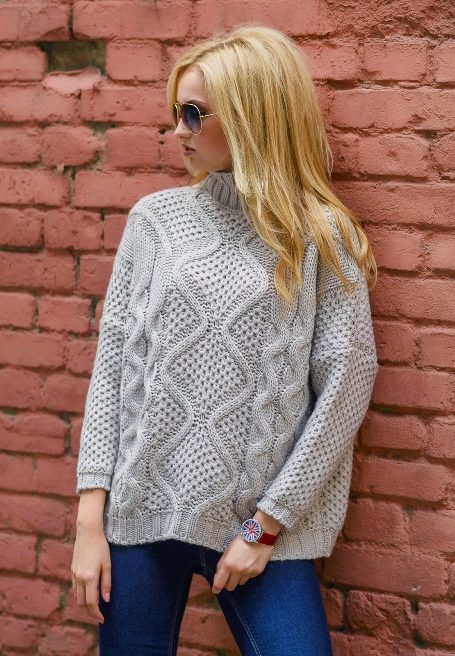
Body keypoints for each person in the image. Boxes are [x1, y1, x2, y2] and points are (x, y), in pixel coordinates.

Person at [71, 23, 379, 656]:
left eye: (193, 114)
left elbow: (346, 388)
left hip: (258, 528)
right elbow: (111, 374)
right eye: (175, 113)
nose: (177, 131)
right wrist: (88, 523)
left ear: (249, 114)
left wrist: (266, 527)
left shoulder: (323, 236)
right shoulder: (155, 222)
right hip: (138, 515)